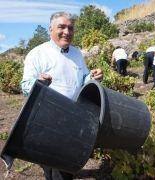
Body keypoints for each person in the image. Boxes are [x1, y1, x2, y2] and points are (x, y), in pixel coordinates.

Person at [21, 12, 103, 180]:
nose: (67, 31)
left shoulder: (76, 53)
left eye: (70, 28)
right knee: (54, 167)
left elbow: (82, 78)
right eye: (62, 27)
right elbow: (25, 86)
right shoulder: (37, 54)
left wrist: (92, 77)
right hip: (48, 120)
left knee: (65, 165)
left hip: (73, 118)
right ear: (50, 29)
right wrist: (39, 83)